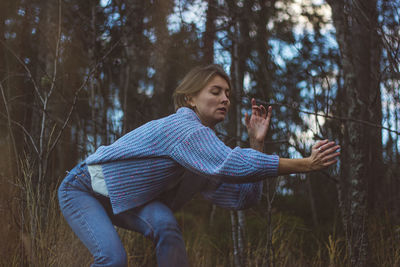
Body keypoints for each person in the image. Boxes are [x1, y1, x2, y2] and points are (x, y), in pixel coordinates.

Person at [58, 64, 340, 267]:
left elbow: (245, 197)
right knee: (113, 259)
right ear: (190, 98)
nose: (224, 99)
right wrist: (305, 164)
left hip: (126, 198)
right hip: (84, 188)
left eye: (227, 94)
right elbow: (231, 163)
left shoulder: (201, 154)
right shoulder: (184, 128)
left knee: (166, 225)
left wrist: (257, 143)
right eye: (215, 91)